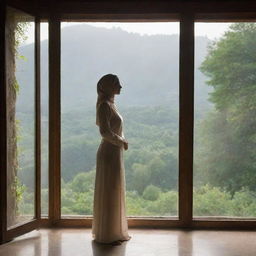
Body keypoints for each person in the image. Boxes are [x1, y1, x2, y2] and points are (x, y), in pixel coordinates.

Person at [92, 74, 132, 246]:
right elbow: (104, 132)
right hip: (109, 152)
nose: (120, 86)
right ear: (108, 87)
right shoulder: (104, 106)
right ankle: (107, 234)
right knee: (109, 190)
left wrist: (119, 142)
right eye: (117, 84)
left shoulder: (110, 105)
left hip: (114, 152)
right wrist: (121, 141)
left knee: (114, 189)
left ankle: (114, 231)